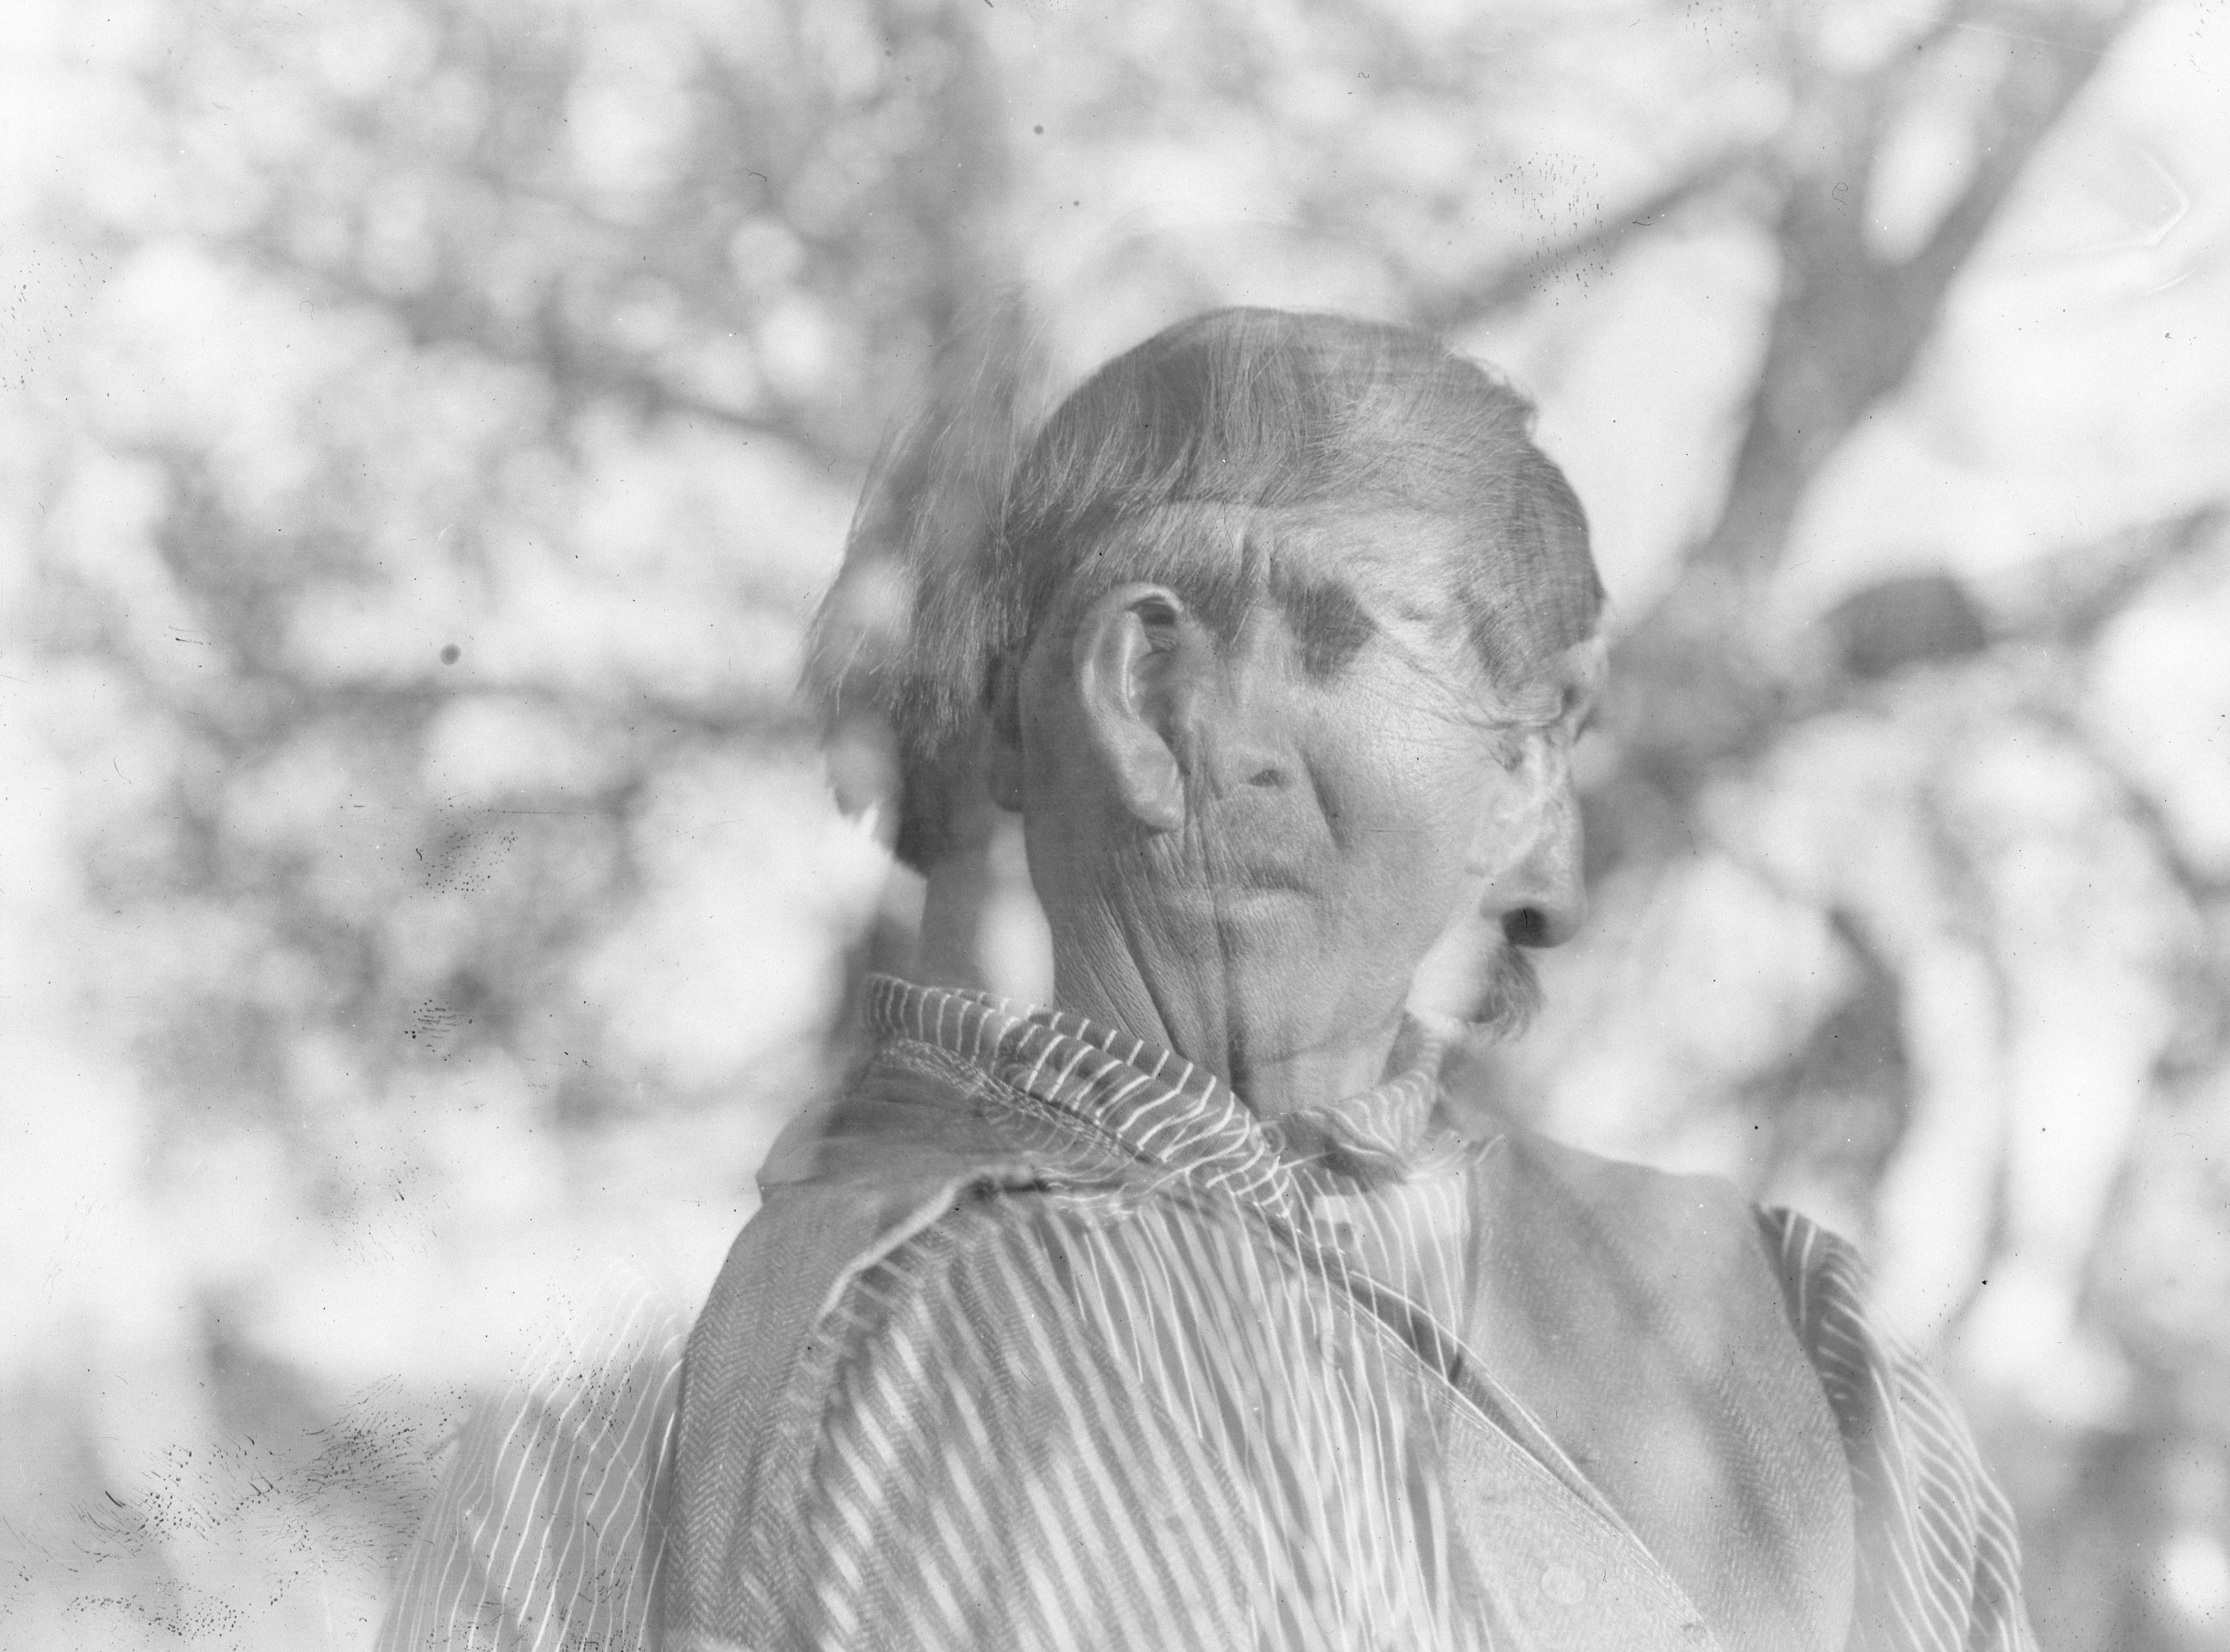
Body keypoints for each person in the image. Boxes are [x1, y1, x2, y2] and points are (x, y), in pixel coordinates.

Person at [380, 308, 2033, 1652]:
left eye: (1536, 731)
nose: (1531, 779)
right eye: (1435, 664)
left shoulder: (1788, 1330)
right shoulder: (951, 1305)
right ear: (1135, 686)